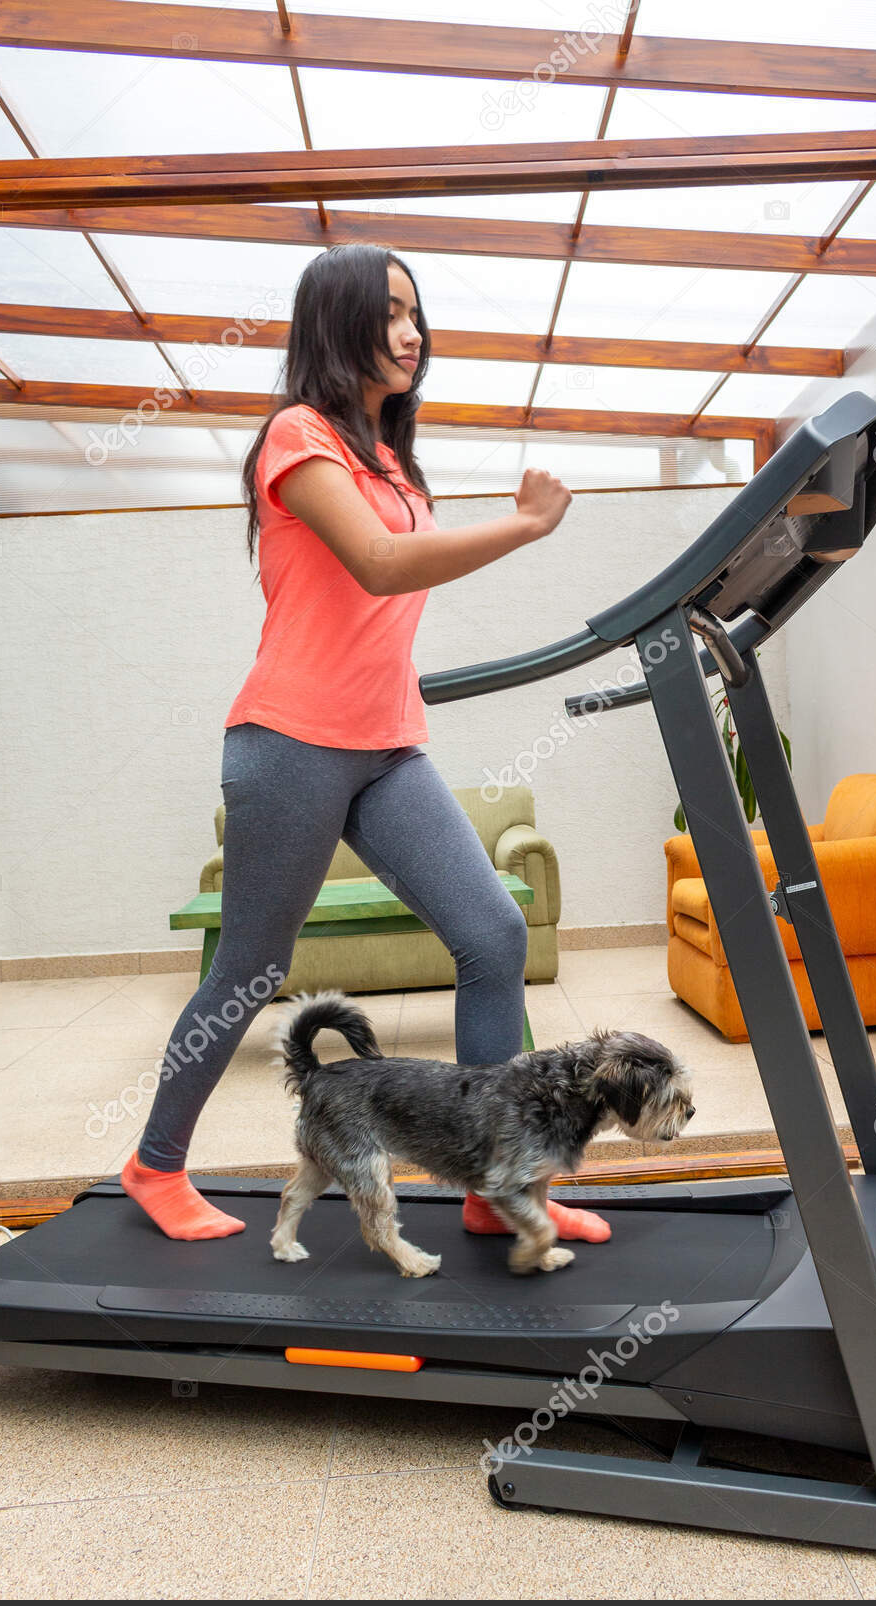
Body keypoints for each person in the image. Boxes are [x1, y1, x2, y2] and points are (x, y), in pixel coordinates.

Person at [120, 243, 611, 1248]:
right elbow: (381, 565)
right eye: (389, 311)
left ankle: (492, 1182)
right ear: (336, 321)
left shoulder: (391, 457)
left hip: (388, 746)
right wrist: (521, 525)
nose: (410, 330)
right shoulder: (298, 438)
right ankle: (154, 1163)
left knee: (492, 934)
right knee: (251, 968)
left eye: (416, 313)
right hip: (289, 742)